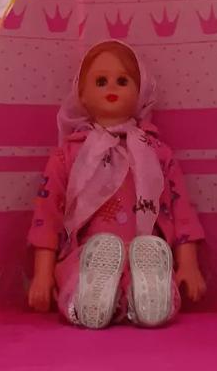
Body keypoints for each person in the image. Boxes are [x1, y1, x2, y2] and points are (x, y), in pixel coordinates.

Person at [27, 40, 205, 328]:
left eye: (123, 81)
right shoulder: (69, 154)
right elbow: (48, 216)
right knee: (77, 274)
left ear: (141, 91)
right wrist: (43, 274)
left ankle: (146, 297)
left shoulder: (156, 152)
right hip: (87, 253)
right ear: (81, 94)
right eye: (100, 81)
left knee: (152, 274)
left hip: (143, 252)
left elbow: (180, 208)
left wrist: (188, 265)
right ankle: (91, 297)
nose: (112, 88)